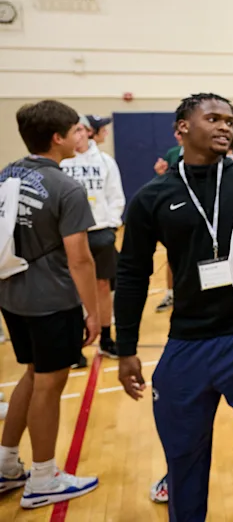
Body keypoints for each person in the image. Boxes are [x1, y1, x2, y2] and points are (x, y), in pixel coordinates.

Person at [114, 93, 233, 522]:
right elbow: (132, 275)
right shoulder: (152, 197)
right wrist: (125, 349)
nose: (225, 126)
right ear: (181, 129)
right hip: (187, 344)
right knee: (183, 463)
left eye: (230, 120)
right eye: (212, 118)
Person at [0, 100, 100, 509]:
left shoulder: (7, 174)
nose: (82, 135)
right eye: (76, 130)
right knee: (50, 384)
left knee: (31, 374)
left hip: (12, 295)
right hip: (52, 299)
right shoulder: (65, 187)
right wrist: (93, 311)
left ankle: (6, 463)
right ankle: (43, 477)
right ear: (57, 138)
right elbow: (79, 257)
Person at [61, 115, 125, 359]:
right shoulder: (62, 164)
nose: (77, 135)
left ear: (87, 132)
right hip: (70, 234)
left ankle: (107, 338)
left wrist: (110, 227)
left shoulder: (105, 162)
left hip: (100, 232)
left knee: (103, 286)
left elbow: (115, 196)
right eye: (73, 130)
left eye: (80, 130)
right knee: (72, 288)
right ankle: (77, 342)